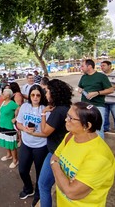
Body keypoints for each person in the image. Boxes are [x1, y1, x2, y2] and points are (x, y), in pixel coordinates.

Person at [50, 102, 115, 206]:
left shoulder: (99, 157)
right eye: (67, 116)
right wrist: (65, 180)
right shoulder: (70, 136)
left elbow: (71, 192)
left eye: (71, 118)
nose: (66, 120)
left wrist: (55, 165)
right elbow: (55, 156)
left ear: (87, 125)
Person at [38, 79, 73, 207]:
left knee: (43, 185)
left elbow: (45, 131)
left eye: (47, 91)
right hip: (64, 151)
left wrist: (43, 113)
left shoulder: (57, 111)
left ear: (54, 93)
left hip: (56, 153)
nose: (45, 94)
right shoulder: (65, 108)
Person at [15, 84, 49, 206]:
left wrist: (36, 132)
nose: (35, 97)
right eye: (33, 95)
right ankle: (28, 188)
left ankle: (38, 194)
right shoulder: (24, 106)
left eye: (38, 95)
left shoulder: (45, 109)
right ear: (29, 96)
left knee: (40, 172)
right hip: (26, 144)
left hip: (41, 146)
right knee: (23, 170)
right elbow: (18, 123)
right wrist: (24, 129)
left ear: (42, 96)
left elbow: (47, 131)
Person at [78, 59, 114, 139]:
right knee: (85, 127)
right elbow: (80, 87)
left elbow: (111, 90)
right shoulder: (84, 77)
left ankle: (99, 148)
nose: (81, 68)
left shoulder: (101, 77)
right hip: (84, 107)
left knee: (98, 129)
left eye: (83, 66)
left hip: (97, 106)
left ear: (89, 66)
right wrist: (80, 90)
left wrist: (97, 93)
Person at [0, 89, 19, 169]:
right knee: (6, 142)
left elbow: (21, 110)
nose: (1, 94)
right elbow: (0, 113)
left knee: (11, 145)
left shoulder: (12, 104)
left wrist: (16, 118)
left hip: (9, 127)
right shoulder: (3, 102)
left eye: (3, 94)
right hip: (2, 126)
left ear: (8, 96)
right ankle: (9, 155)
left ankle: (15, 160)